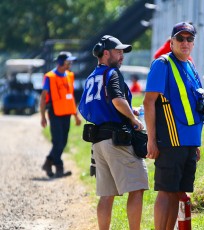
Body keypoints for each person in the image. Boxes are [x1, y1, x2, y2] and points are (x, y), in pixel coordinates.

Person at [78, 35, 149, 230]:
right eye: (118, 51)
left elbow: (84, 108)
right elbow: (117, 100)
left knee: (106, 195)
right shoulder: (112, 73)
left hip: (98, 142)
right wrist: (133, 119)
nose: (122, 56)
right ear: (106, 53)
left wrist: (123, 111)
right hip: (117, 141)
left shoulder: (92, 76)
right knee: (138, 187)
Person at [143, 22, 204, 230]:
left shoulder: (190, 65)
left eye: (189, 39)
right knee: (166, 192)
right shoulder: (162, 64)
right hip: (171, 140)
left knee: (178, 193)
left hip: (188, 142)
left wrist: (195, 143)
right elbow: (148, 101)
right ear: (171, 42)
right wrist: (151, 140)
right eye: (180, 38)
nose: (185, 42)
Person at [40, 51, 81, 178]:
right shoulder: (50, 77)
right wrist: (42, 116)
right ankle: (59, 168)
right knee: (57, 142)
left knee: (63, 142)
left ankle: (48, 162)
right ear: (61, 62)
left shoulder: (69, 75)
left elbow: (71, 97)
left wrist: (76, 115)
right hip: (55, 113)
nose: (71, 63)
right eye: (69, 61)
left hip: (67, 113)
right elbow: (43, 98)